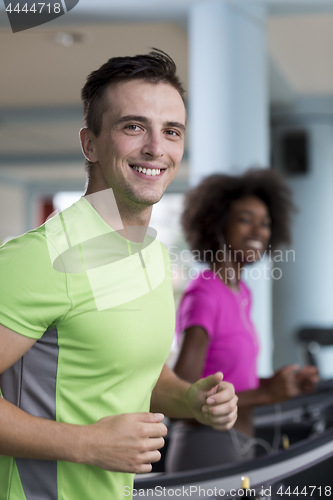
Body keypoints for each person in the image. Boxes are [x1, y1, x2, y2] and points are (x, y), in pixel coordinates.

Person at [0, 50, 238, 500]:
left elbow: (132, 375)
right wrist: (86, 444)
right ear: (90, 143)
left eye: (171, 131)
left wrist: (190, 400)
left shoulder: (150, 255)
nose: (155, 148)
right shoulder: (39, 259)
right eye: (133, 126)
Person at [166, 168, 319, 472]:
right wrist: (266, 394)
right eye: (246, 220)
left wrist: (280, 385)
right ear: (218, 224)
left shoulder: (241, 292)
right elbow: (181, 401)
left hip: (240, 446)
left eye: (265, 224)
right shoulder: (205, 295)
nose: (259, 231)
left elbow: (233, 382)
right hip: (206, 451)